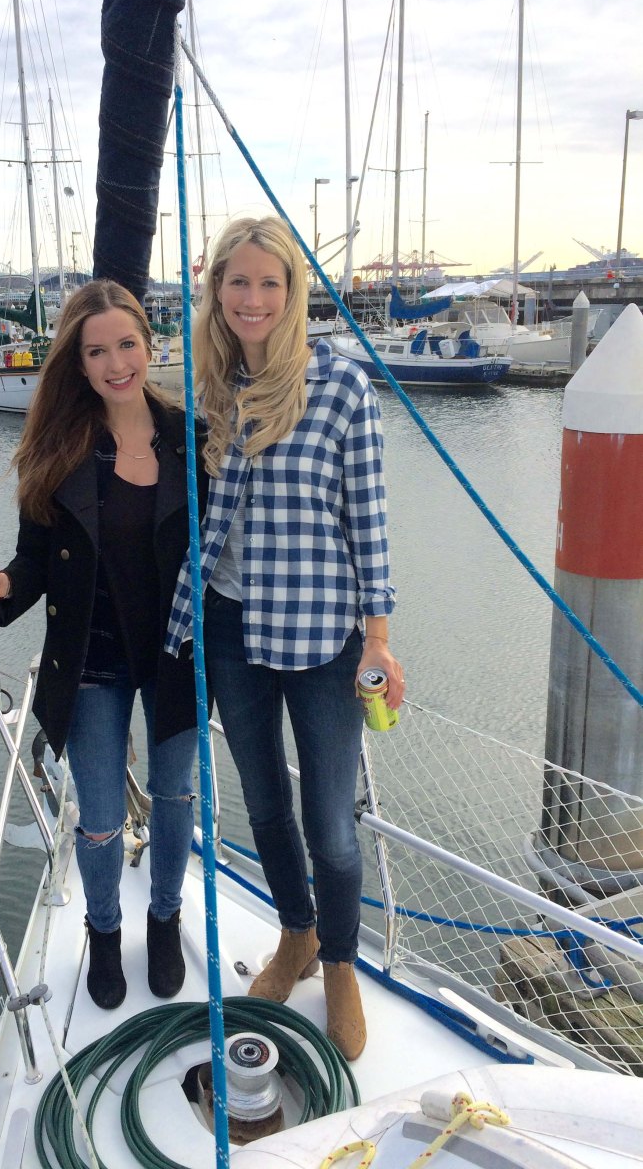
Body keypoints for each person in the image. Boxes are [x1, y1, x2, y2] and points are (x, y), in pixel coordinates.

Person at [166, 216, 405, 1060]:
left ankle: (339, 964)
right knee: (263, 802)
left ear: (294, 291)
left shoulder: (340, 387)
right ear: (216, 291)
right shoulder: (211, 386)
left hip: (321, 633)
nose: (253, 298)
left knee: (329, 822)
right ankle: (296, 935)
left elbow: (368, 521)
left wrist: (378, 639)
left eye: (270, 283)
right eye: (237, 281)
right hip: (230, 623)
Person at [0, 279, 206, 1011]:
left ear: (148, 344)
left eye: (127, 344)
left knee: (176, 795)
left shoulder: (193, 439)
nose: (117, 363)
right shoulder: (58, 450)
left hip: (177, 653)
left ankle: (164, 918)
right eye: (96, 351)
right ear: (77, 363)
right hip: (91, 657)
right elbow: (34, 560)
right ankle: (104, 930)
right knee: (99, 819)